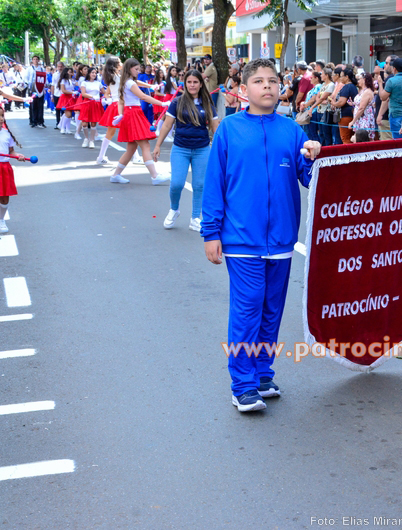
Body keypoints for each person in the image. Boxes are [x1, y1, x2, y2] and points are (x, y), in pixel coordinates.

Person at [201, 58, 321, 412]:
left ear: (281, 88)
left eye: (272, 80)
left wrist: (314, 156)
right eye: (258, 81)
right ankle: (242, 384)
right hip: (240, 239)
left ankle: (262, 371)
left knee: (271, 309)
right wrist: (211, 232)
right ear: (244, 90)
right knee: (248, 307)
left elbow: (309, 177)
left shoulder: (292, 131)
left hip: (282, 240)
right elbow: (215, 184)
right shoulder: (229, 130)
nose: (267, 86)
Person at [154, 69, 218, 232]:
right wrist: (157, 145)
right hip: (180, 149)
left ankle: (195, 217)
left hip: (202, 149)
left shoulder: (207, 103)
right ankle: (174, 209)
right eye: (189, 82)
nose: (192, 85)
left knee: (199, 185)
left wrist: (224, 149)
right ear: (185, 83)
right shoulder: (177, 102)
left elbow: (216, 128)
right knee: (176, 184)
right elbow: (167, 125)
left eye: (195, 82)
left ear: (200, 84)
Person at [109, 58, 170, 186]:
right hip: (133, 113)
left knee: (131, 149)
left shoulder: (126, 82)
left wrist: (120, 114)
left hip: (130, 113)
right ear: (129, 69)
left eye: (138, 69)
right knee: (145, 145)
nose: (138, 71)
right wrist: (162, 103)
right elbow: (143, 96)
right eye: (136, 69)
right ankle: (155, 176)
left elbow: (122, 100)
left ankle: (115, 175)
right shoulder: (130, 83)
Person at [0, 109, 25, 234]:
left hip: (4, 167)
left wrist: (17, 156)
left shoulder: (6, 134)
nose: (1, 118)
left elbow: (11, 152)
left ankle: (1, 220)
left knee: (4, 198)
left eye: (2, 116)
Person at [380, 58, 402, 139]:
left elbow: (383, 97)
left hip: (395, 114)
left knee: (398, 142)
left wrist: (380, 84)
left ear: (394, 69)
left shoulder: (391, 81)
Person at [78, 67, 104, 149]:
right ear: (89, 73)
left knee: (93, 123)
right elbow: (83, 94)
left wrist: (110, 97)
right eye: (92, 72)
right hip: (86, 103)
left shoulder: (98, 83)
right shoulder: (84, 83)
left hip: (95, 104)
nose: (94, 74)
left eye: (95, 73)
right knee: (84, 123)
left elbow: (105, 92)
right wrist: (92, 96)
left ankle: (92, 140)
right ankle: (86, 138)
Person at [333, 68, 357, 143]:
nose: (340, 78)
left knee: (345, 138)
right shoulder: (353, 86)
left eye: (342, 76)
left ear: (347, 77)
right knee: (352, 138)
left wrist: (333, 103)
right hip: (352, 114)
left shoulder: (347, 87)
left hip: (345, 115)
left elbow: (341, 102)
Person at [350, 72, 375, 141]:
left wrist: (353, 121)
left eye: (359, 79)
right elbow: (360, 104)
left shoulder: (367, 92)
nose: (358, 81)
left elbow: (362, 108)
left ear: (364, 80)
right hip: (359, 119)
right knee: (357, 139)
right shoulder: (361, 91)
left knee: (362, 139)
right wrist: (353, 103)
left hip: (364, 118)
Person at [27, 55, 47, 128]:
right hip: (33, 88)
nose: (35, 60)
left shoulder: (42, 69)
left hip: (40, 88)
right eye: (34, 59)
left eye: (36, 59)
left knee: (40, 105)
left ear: (38, 60)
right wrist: (29, 84)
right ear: (32, 60)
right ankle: (33, 121)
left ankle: (40, 121)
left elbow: (45, 78)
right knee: (33, 105)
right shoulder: (29, 69)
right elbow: (26, 78)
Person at [56, 67, 77, 135]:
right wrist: (72, 93)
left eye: (71, 72)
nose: (71, 73)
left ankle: (67, 129)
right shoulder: (63, 80)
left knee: (69, 115)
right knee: (68, 114)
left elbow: (72, 88)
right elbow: (63, 90)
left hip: (70, 97)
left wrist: (74, 92)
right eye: (69, 72)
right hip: (65, 98)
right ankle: (62, 127)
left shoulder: (71, 80)